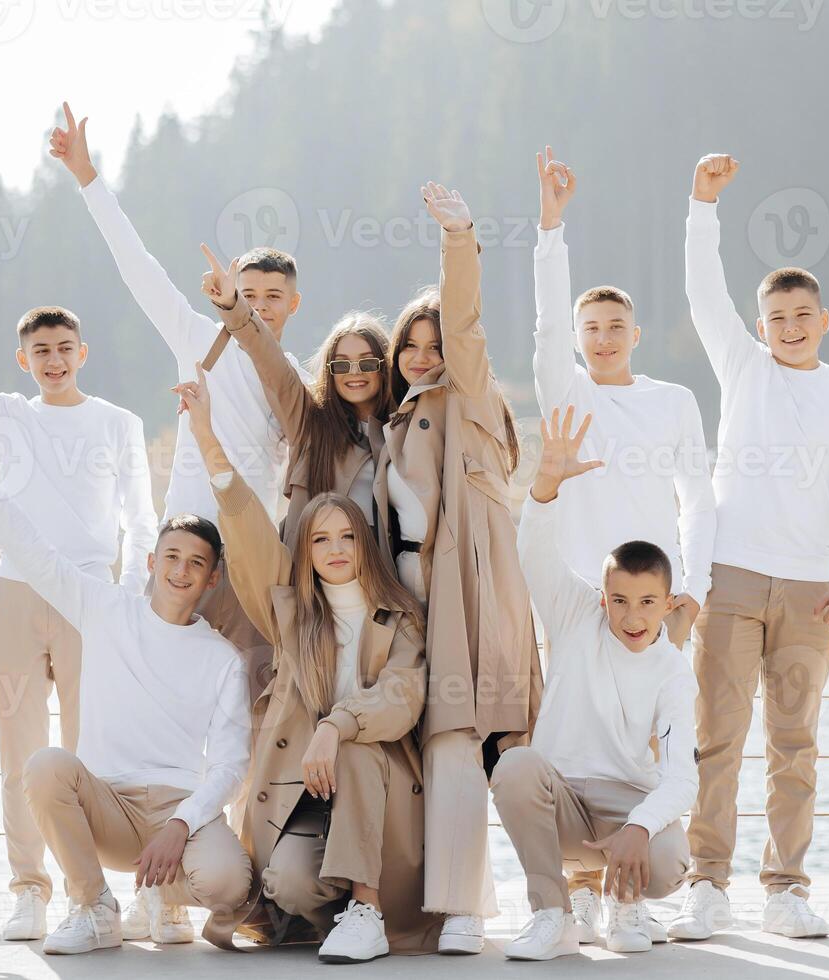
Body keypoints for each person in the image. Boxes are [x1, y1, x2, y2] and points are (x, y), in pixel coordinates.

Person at [0, 389, 253, 957]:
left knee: (230, 882)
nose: (181, 571)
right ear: (152, 562)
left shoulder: (222, 659)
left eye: (197, 564)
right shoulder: (104, 607)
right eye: (172, 558)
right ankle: (94, 906)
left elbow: (231, 763)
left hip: (175, 812)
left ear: (211, 580)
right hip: (106, 803)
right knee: (45, 766)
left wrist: (182, 823)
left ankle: (163, 897)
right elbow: (28, 546)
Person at [0, 216, 157, 941]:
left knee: (97, 751)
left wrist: (135, 592)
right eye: (40, 351)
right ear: (23, 361)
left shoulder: (118, 423)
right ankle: (30, 886)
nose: (54, 360)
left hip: (93, 597)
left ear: (82, 353)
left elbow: (141, 518)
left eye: (64, 349)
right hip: (18, 594)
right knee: (20, 745)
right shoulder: (8, 416)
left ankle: (109, 891)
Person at [670, 154, 829, 942]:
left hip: (809, 591)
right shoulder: (744, 368)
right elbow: (701, 291)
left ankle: (786, 888)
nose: (789, 328)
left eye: (802, 316)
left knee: (794, 743)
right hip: (731, 579)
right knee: (714, 738)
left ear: (823, 320)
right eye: (776, 319)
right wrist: (702, 205)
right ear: (761, 328)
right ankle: (706, 884)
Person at [175, 363, 439, 963]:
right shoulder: (292, 614)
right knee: (290, 883)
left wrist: (335, 725)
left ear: (364, 543)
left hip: (377, 783)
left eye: (346, 536)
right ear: (307, 553)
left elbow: (402, 697)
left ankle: (369, 909)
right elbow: (243, 529)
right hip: (304, 788)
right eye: (320, 539)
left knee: (361, 745)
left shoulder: (400, 614)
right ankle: (337, 916)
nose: (336, 550)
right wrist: (207, 436)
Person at [48, 101, 311, 702]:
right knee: (159, 695)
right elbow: (136, 267)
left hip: (251, 560)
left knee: (251, 696)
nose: (260, 305)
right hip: (183, 550)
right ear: (227, 294)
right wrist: (88, 178)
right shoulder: (196, 338)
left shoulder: (297, 377)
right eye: (248, 293)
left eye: (274, 296)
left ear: (293, 305)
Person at [530, 146, 717, 939]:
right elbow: (542, 326)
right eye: (589, 328)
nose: (603, 338)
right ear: (575, 338)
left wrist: (691, 593)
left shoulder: (672, 401)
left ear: (636, 333)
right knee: (570, 747)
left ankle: (627, 891)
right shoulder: (564, 388)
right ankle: (570, 894)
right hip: (575, 600)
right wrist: (551, 225)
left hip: (653, 605)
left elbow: (699, 496)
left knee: (648, 746)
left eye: (615, 327)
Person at [380, 181, 542, 954]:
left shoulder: (467, 395)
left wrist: (458, 239)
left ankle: (466, 910)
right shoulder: (399, 415)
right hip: (407, 597)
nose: (421, 355)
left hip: (466, 594)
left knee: (460, 740)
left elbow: (467, 320)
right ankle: (440, 898)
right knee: (422, 750)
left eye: (431, 343)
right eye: (408, 344)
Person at [493, 406, 697, 961]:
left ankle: (628, 901)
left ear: (668, 604)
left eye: (648, 603)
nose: (633, 617)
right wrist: (546, 485)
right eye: (621, 602)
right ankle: (552, 915)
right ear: (603, 598)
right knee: (513, 765)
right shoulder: (577, 614)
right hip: (561, 796)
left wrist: (639, 826)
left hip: (625, 798)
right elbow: (533, 553)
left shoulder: (673, 670)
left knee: (670, 861)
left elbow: (681, 779)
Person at [199, 244, 393, 555]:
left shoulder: (404, 431)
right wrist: (234, 306)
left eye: (368, 363)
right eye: (341, 364)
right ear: (328, 371)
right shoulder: (310, 422)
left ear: (385, 367)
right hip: (313, 580)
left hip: (382, 576)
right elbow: (268, 357)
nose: (354, 373)